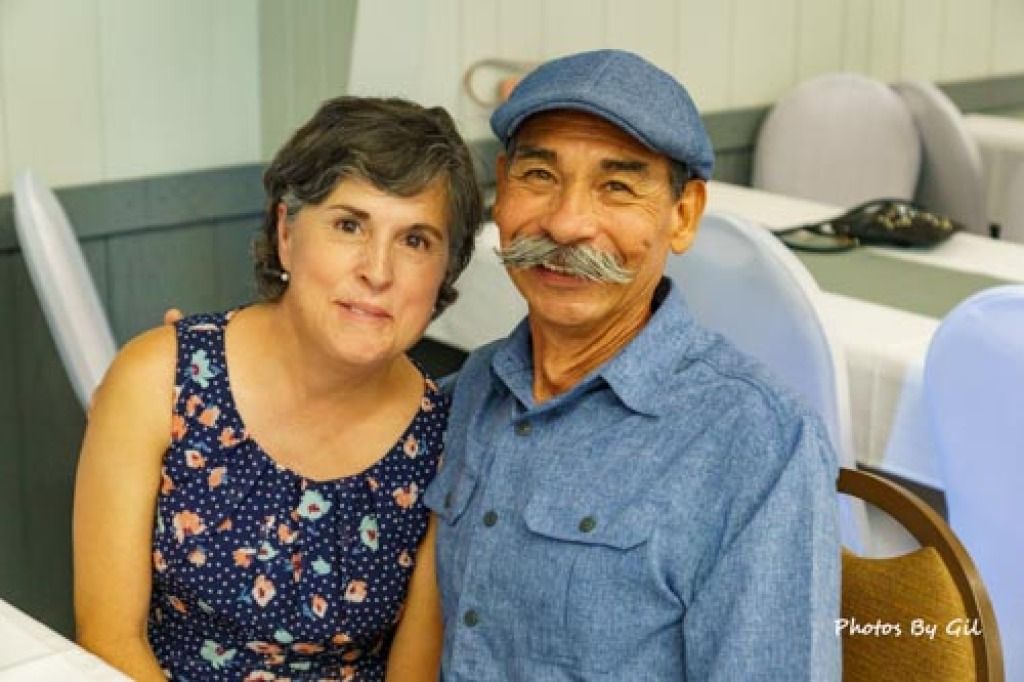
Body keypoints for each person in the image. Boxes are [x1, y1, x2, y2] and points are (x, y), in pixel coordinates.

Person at [421, 49, 841, 680]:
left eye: (617, 186)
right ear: (502, 190)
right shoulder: (472, 390)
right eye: (539, 176)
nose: (566, 224)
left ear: (684, 215)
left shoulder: (758, 440)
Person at [73, 96, 482, 681]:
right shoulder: (158, 381)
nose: (379, 271)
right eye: (349, 225)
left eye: (415, 241)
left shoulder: (443, 440)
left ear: (445, 271)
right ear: (287, 232)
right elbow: (109, 637)